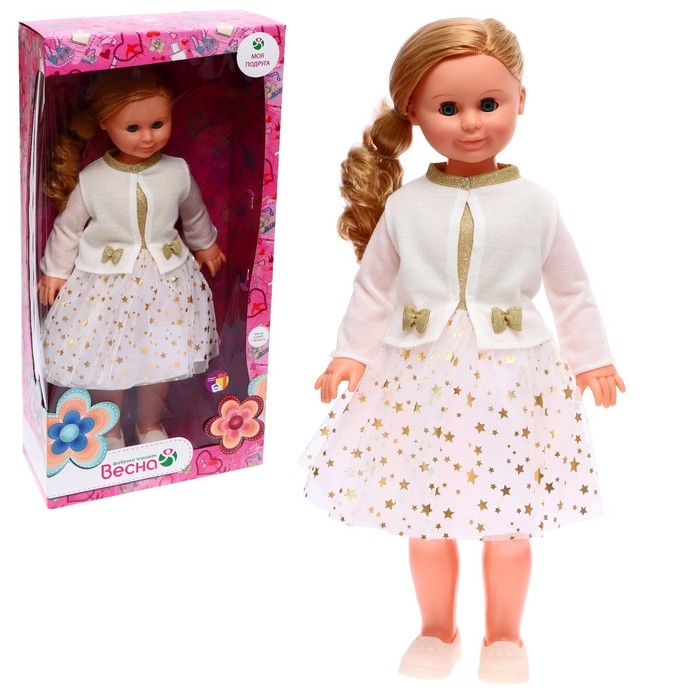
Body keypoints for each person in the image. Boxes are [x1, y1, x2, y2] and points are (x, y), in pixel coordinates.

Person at [302, 17, 625, 683]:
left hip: (512, 378)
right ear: (413, 114)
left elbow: (570, 288)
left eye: (489, 103)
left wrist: (591, 357)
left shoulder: (537, 204)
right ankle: (437, 630)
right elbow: (373, 287)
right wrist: (350, 353)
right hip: (421, 376)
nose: (471, 123)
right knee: (426, 519)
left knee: (510, 524)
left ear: (520, 100)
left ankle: (504, 637)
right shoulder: (406, 206)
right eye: (447, 108)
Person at [38, 67, 226, 448]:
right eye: (133, 128)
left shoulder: (177, 171)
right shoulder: (93, 179)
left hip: (167, 281)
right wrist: (55, 271)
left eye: (158, 124)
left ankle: (149, 422)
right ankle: (108, 426)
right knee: (109, 360)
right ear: (104, 123)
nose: (147, 137)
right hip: (106, 287)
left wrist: (206, 244)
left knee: (162, 356)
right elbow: (68, 229)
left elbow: (193, 214)